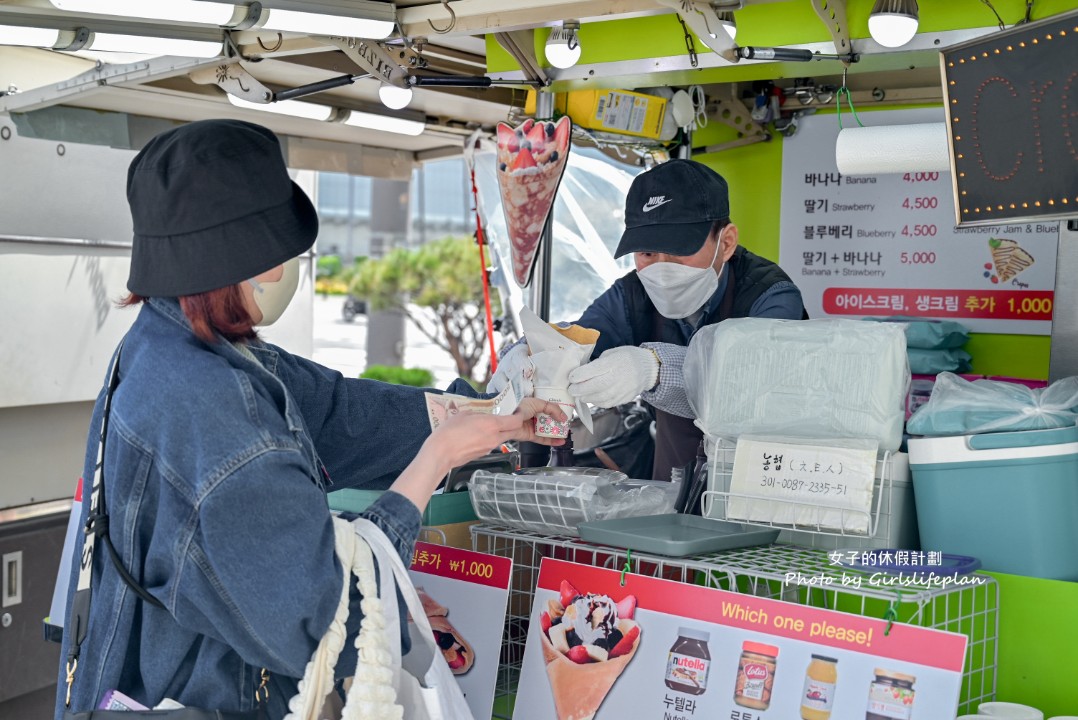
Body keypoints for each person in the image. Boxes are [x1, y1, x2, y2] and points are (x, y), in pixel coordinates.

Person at [54, 119, 565, 720]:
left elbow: (338, 414)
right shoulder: (210, 408)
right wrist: (437, 462)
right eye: (275, 256)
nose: (285, 269)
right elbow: (320, 616)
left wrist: (492, 413)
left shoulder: (174, 347)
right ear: (229, 264)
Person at [494, 159, 805, 482]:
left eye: (679, 250)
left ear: (725, 243)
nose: (662, 268)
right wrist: (534, 353)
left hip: (758, 484)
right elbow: (581, 339)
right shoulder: (632, 295)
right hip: (671, 488)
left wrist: (654, 368)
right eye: (647, 254)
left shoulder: (770, 294)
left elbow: (758, 382)